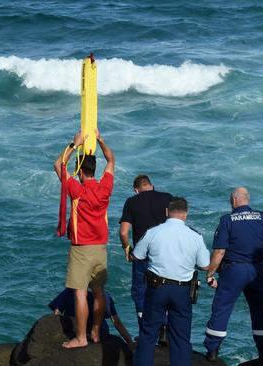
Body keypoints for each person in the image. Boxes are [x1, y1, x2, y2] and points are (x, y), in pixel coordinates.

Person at [53, 129, 115, 349]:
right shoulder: (105, 188)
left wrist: (74, 143)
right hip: (100, 247)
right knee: (98, 291)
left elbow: (58, 164)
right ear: (94, 170)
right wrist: (101, 140)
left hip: (82, 248)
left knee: (80, 293)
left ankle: (81, 337)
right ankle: (96, 331)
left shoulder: (76, 190)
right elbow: (111, 159)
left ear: (80, 172)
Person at [132, 197, 210, 366]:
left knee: (148, 334)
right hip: (182, 290)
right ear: (186, 214)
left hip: (156, 287)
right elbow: (205, 265)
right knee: (181, 338)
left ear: (167, 212)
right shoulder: (195, 236)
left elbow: (137, 256)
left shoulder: (153, 232)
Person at [203, 187, 263, 361]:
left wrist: (210, 274)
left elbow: (220, 251)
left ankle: (212, 351)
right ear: (247, 200)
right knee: (261, 310)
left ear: (234, 201)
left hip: (233, 270)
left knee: (222, 308)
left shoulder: (227, 220)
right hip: (256, 269)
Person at [119, 175, 173, 330]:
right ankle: (165, 328)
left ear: (136, 190)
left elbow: (123, 232)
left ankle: (145, 329)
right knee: (165, 289)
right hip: (165, 253)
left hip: (142, 255)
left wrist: (126, 248)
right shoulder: (168, 198)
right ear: (152, 185)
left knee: (141, 291)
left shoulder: (131, 201)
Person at [49, 288, 133, 346]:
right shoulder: (104, 296)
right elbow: (116, 323)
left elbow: (56, 313)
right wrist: (130, 342)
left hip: (74, 332)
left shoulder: (70, 291)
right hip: (100, 334)